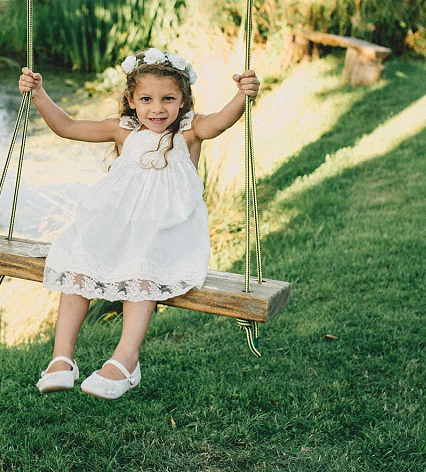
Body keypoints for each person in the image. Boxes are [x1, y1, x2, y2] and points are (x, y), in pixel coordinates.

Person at [18, 47, 260, 399]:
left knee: (142, 271)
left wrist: (243, 94)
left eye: (168, 99)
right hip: (116, 225)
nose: (157, 108)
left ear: (183, 101)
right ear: (131, 100)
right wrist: (38, 94)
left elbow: (222, 120)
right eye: (146, 98)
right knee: (77, 262)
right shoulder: (123, 131)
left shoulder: (190, 132)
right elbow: (66, 127)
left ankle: (125, 360)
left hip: (168, 232)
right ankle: (62, 358)